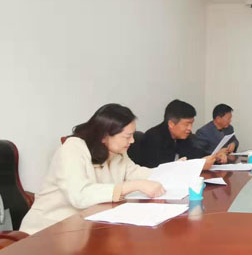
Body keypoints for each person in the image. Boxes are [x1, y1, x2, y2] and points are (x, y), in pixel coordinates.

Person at [20, 104, 165, 235]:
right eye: (127, 136)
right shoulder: (73, 149)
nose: (132, 141)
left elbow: (134, 172)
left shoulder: (117, 151)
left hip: (84, 230)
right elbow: (79, 195)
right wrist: (132, 186)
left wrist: (170, 171)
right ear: (104, 136)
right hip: (48, 231)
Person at [138, 100, 226, 169]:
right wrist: (198, 166)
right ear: (171, 124)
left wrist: (215, 157)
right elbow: (160, 170)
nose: (190, 128)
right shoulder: (153, 138)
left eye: (191, 124)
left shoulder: (184, 136)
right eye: (187, 124)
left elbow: (195, 155)